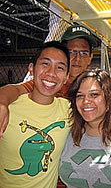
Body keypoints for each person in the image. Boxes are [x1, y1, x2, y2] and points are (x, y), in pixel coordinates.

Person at [0, 24, 111, 168]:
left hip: (81, 162)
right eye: (72, 52)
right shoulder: (49, 84)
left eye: (83, 53)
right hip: (50, 162)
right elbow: (14, 89)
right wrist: (2, 103)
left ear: (91, 57)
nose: (78, 59)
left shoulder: (98, 82)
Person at [0, 41, 71, 188]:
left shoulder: (69, 110)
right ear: (31, 69)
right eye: (45, 64)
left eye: (59, 67)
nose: (51, 73)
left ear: (66, 77)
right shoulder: (8, 108)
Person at [59, 68, 111, 188]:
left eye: (94, 94)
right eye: (80, 96)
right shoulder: (68, 130)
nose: (86, 101)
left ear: (108, 98)